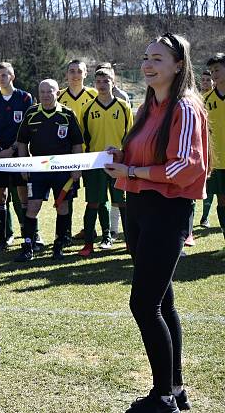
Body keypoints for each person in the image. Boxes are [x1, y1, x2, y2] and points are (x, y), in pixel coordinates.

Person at [104, 33, 208, 412]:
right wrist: (120, 156)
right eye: (146, 57)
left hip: (168, 211)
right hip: (140, 208)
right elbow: (141, 155)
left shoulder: (185, 108)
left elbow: (184, 167)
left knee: (144, 305)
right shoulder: (148, 107)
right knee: (162, 302)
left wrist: (132, 169)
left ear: (179, 65)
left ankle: (163, 397)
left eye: (158, 59)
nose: (148, 64)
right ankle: (174, 390)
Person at [14, 79, 84, 262]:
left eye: (49, 91)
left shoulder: (67, 115)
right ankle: (28, 245)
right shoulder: (31, 113)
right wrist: (24, 164)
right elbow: (22, 142)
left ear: (57, 93)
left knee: (62, 206)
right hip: (37, 170)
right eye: (42, 91)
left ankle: (59, 245)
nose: (46, 95)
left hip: (62, 171)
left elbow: (77, 143)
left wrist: (76, 167)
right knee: (33, 207)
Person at [79, 67, 133, 257]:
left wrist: (125, 155)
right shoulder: (87, 108)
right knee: (94, 202)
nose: (102, 85)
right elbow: (83, 139)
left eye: (106, 81)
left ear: (113, 82)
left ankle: (130, 242)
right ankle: (88, 245)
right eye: (99, 81)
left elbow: (130, 136)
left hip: (118, 162)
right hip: (95, 163)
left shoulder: (123, 107)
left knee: (122, 203)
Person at [0, 61, 33, 252]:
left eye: (4, 75)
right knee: (0, 195)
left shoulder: (25, 98)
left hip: (19, 153)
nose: (0, 78)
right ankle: (3, 238)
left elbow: (27, 127)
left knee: (23, 195)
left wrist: (13, 148)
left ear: (12, 76)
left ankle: (29, 235)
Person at [58, 59, 98, 242]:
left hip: (90, 152)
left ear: (85, 74)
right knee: (68, 194)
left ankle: (90, 229)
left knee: (94, 194)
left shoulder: (94, 94)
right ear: (66, 74)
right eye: (71, 71)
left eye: (79, 71)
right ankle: (66, 232)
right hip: (67, 153)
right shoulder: (59, 96)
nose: (75, 75)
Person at [203, 53, 225, 247]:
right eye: (211, 71)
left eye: (217, 70)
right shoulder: (206, 99)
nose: (213, 74)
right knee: (222, 202)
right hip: (217, 161)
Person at [196, 69, 214, 228]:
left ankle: (205, 217)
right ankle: (202, 218)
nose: (205, 83)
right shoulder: (197, 99)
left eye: (208, 80)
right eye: (203, 80)